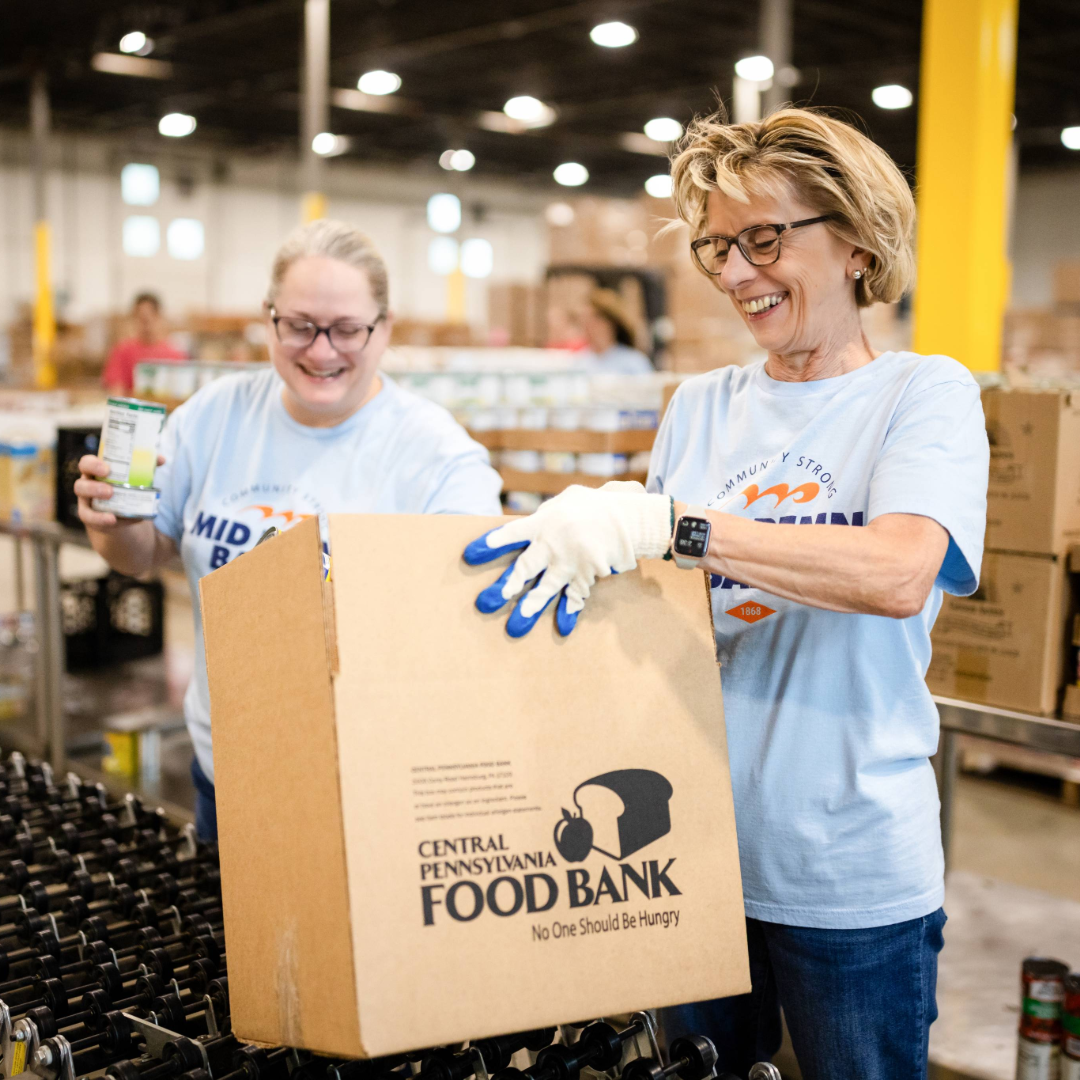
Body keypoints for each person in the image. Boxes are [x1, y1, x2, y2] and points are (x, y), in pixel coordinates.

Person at [463, 107, 989, 1080]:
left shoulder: (923, 396)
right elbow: (666, 617)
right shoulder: (700, 406)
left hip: (848, 874)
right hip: (685, 857)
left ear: (859, 243)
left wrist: (676, 529)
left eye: (763, 238)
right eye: (717, 250)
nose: (739, 275)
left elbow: (899, 570)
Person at [77, 220, 502, 841]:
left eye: (347, 329)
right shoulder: (217, 416)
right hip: (226, 774)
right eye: (299, 325)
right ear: (268, 318)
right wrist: (112, 523)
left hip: (370, 790)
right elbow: (142, 554)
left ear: (384, 327)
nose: (321, 351)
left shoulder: (438, 457)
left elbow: (460, 627)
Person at [102, 292, 187, 394]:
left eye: (149, 317)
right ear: (134, 317)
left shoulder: (175, 355)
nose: (146, 323)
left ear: (159, 316)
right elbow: (116, 390)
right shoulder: (122, 351)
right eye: (141, 318)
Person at [578, 288, 654, 374]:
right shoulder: (579, 362)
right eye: (585, 319)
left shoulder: (633, 362)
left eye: (595, 319)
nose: (589, 325)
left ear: (611, 323)